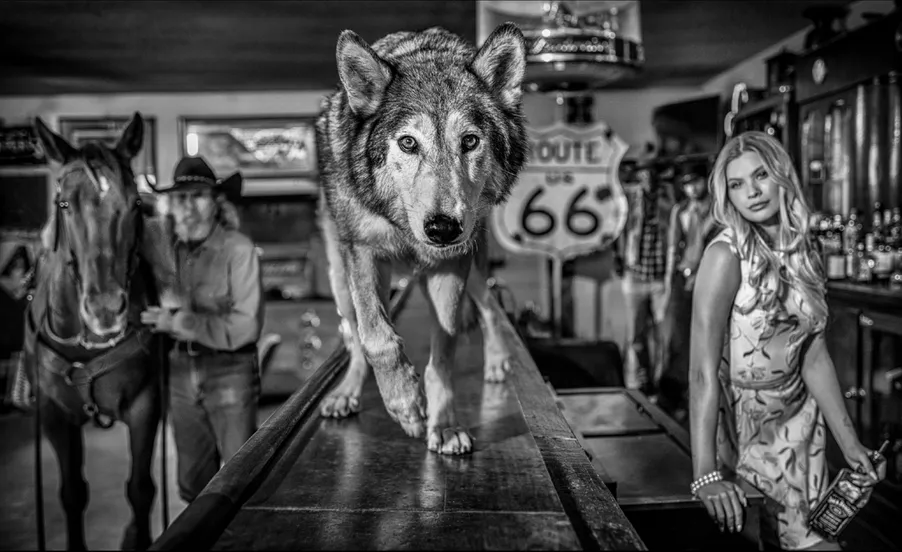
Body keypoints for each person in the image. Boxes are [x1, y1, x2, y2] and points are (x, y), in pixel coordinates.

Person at [689, 132, 886, 550]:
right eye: (737, 184)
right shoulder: (724, 255)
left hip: (801, 426)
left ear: (782, 176)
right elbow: (702, 372)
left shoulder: (803, 248)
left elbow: (812, 355)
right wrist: (705, 474)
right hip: (743, 430)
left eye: (761, 175)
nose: (752, 192)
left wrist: (848, 442)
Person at [140, 156, 264, 503]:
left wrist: (179, 322)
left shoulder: (237, 249)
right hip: (178, 372)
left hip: (229, 369)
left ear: (216, 202)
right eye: (180, 198)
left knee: (240, 482)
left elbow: (246, 326)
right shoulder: (165, 251)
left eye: (198, 196)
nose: (188, 206)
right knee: (193, 484)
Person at [657, 161, 718, 421]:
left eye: (696, 181)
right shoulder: (681, 210)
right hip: (683, 278)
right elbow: (673, 248)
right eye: (686, 184)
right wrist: (668, 287)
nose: (692, 188)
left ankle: (696, 397)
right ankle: (675, 396)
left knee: (705, 339)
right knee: (676, 338)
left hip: (710, 279)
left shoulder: (717, 211)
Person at [616, 156, 676, 394]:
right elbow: (617, 225)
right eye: (643, 173)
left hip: (661, 277)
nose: (648, 178)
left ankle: (662, 384)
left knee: (665, 336)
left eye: (652, 173)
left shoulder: (668, 198)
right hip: (635, 274)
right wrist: (618, 257)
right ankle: (640, 383)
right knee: (635, 335)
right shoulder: (630, 198)